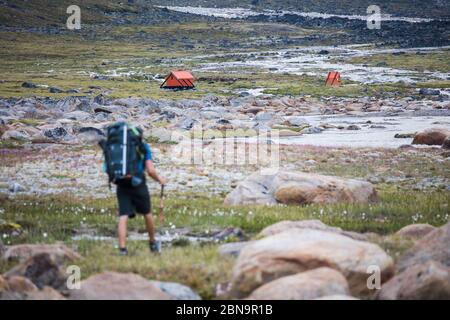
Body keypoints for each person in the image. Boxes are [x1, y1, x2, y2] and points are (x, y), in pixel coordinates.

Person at [115, 140, 167, 256]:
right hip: (138, 183)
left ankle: (122, 249)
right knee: (147, 213)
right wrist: (160, 180)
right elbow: (150, 170)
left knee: (123, 216)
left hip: (121, 183)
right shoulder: (143, 146)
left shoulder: (118, 146)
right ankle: (152, 243)